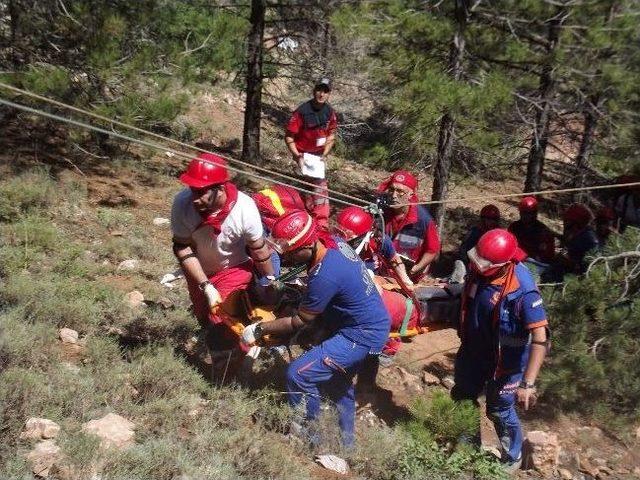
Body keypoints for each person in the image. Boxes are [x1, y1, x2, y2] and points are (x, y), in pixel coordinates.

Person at [240, 210, 390, 448]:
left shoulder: (325, 275)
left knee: (298, 375)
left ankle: (309, 436)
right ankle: (346, 444)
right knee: (337, 384)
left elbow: (299, 321)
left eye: (290, 251)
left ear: (308, 244)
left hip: (359, 335)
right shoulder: (334, 244)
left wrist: (260, 328)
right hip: (367, 324)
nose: (286, 256)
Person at [452, 229, 549, 472]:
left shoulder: (523, 291)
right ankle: (468, 447)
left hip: (507, 361)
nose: (478, 266)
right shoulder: (479, 270)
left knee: (499, 409)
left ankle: (512, 455)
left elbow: (540, 338)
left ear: (504, 263)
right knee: (463, 396)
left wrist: (528, 383)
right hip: (474, 350)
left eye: (485, 264)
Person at [171, 153, 275, 351]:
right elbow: (182, 247)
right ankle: (209, 340)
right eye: (193, 190)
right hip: (199, 269)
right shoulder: (182, 204)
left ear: (220, 188)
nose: (195, 198)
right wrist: (206, 286)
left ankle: (232, 361)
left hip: (234, 268)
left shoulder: (244, 208)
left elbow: (258, 249)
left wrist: (270, 278)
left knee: (223, 316)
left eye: (202, 192)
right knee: (202, 312)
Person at [285, 78, 338, 229]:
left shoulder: (330, 113)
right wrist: (297, 156)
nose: (322, 94)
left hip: (318, 157)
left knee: (320, 189)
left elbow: (331, 136)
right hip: (302, 155)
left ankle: (320, 224)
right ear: (314, 90)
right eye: (319, 90)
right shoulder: (302, 111)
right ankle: (296, 220)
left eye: (325, 91)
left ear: (329, 94)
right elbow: (289, 136)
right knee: (301, 189)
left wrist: (325, 154)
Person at [377, 170, 441, 281]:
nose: (394, 195)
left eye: (400, 191)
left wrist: (415, 269)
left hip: (410, 277)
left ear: (410, 194)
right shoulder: (382, 212)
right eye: (391, 189)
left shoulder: (424, 220)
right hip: (384, 272)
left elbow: (432, 250)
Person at [335, 205, 414, 287]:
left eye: (350, 238)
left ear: (368, 235)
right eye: (337, 233)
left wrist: (406, 280)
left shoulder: (380, 241)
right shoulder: (332, 248)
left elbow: (393, 258)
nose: (342, 241)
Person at [508, 196, 555, 264]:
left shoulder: (543, 231)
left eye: (530, 213)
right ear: (520, 213)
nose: (527, 216)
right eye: (525, 213)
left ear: (535, 213)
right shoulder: (514, 227)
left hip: (534, 264)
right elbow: (508, 247)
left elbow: (548, 255)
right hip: (515, 261)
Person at [559, 203, 599, 275]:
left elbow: (590, 266)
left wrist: (569, 261)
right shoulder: (578, 234)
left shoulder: (588, 239)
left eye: (568, 222)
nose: (565, 224)